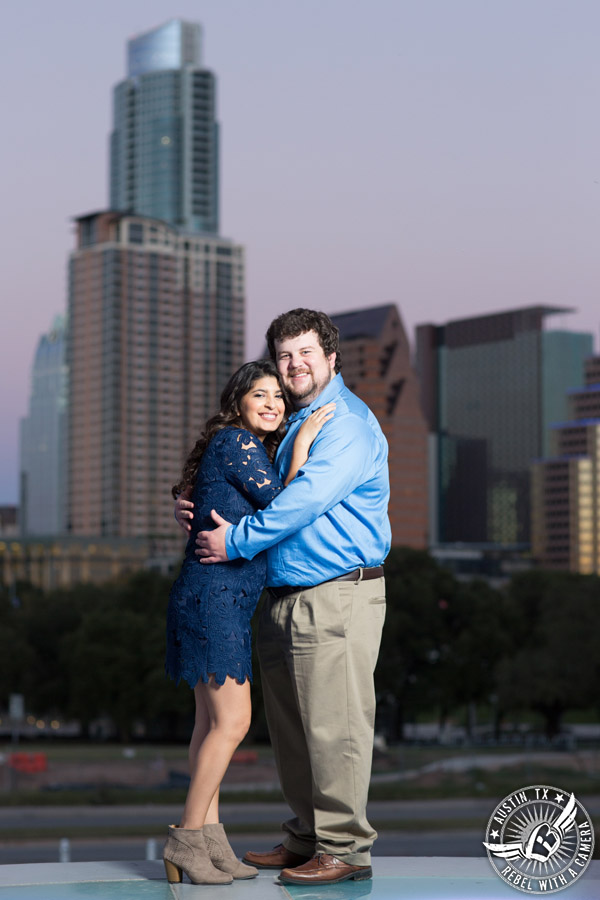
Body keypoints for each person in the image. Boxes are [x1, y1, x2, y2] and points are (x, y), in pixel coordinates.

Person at [176, 309, 391, 886]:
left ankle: (344, 848)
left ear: (331, 358)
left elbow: (300, 503)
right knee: (296, 729)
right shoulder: (293, 420)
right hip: (279, 596)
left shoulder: (343, 423)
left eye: (305, 354)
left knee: (336, 726)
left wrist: (233, 540)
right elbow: (247, 485)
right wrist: (193, 503)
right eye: (285, 355)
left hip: (336, 594)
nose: (294, 365)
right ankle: (307, 838)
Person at [164, 358, 334, 886]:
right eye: (259, 394)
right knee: (234, 723)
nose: (272, 404)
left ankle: (211, 839)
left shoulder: (241, 449)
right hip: (216, 599)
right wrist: (304, 442)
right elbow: (284, 503)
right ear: (237, 402)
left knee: (209, 725)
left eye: (278, 398)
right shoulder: (239, 443)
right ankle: (187, 839)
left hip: (212, 598)